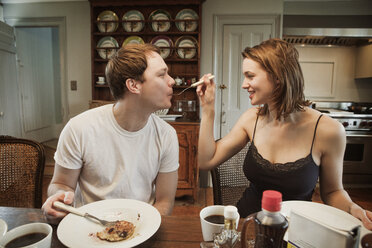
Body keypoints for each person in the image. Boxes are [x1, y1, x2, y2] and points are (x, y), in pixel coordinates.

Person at [196, 38, 372, 230]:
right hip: (246, 226)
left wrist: (352, 208)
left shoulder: (328, 131)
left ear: (277, 77)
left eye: (250, 76)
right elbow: (206, 161)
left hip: (295, 232)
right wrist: (207, 110)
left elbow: (333, 192)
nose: (244, 84)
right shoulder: (251, 119)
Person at [42, 44, 179, 222]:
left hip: (142, 224)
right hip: (88, 225)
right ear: (133, 85)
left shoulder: (167, 135)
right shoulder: (78, 129)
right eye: (162, 75)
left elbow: (164, 202)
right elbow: (61, 184)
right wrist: (59, 198)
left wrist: (137, 230)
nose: (172, 81)